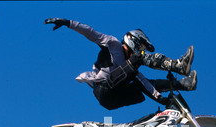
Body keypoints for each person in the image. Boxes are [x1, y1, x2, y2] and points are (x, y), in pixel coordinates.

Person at [44, 18, 197, 110]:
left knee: (141, 81)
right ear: (133, 40)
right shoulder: (113, 44)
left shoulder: (129, 65)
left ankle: (184, 84)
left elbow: (145, 84)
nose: (139, 51)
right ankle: (178, 66)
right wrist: (67, 23)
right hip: (103, 89)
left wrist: (162, 100)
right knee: (139, 61)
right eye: (140, 47)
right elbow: (90, 32)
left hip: (114, 98)